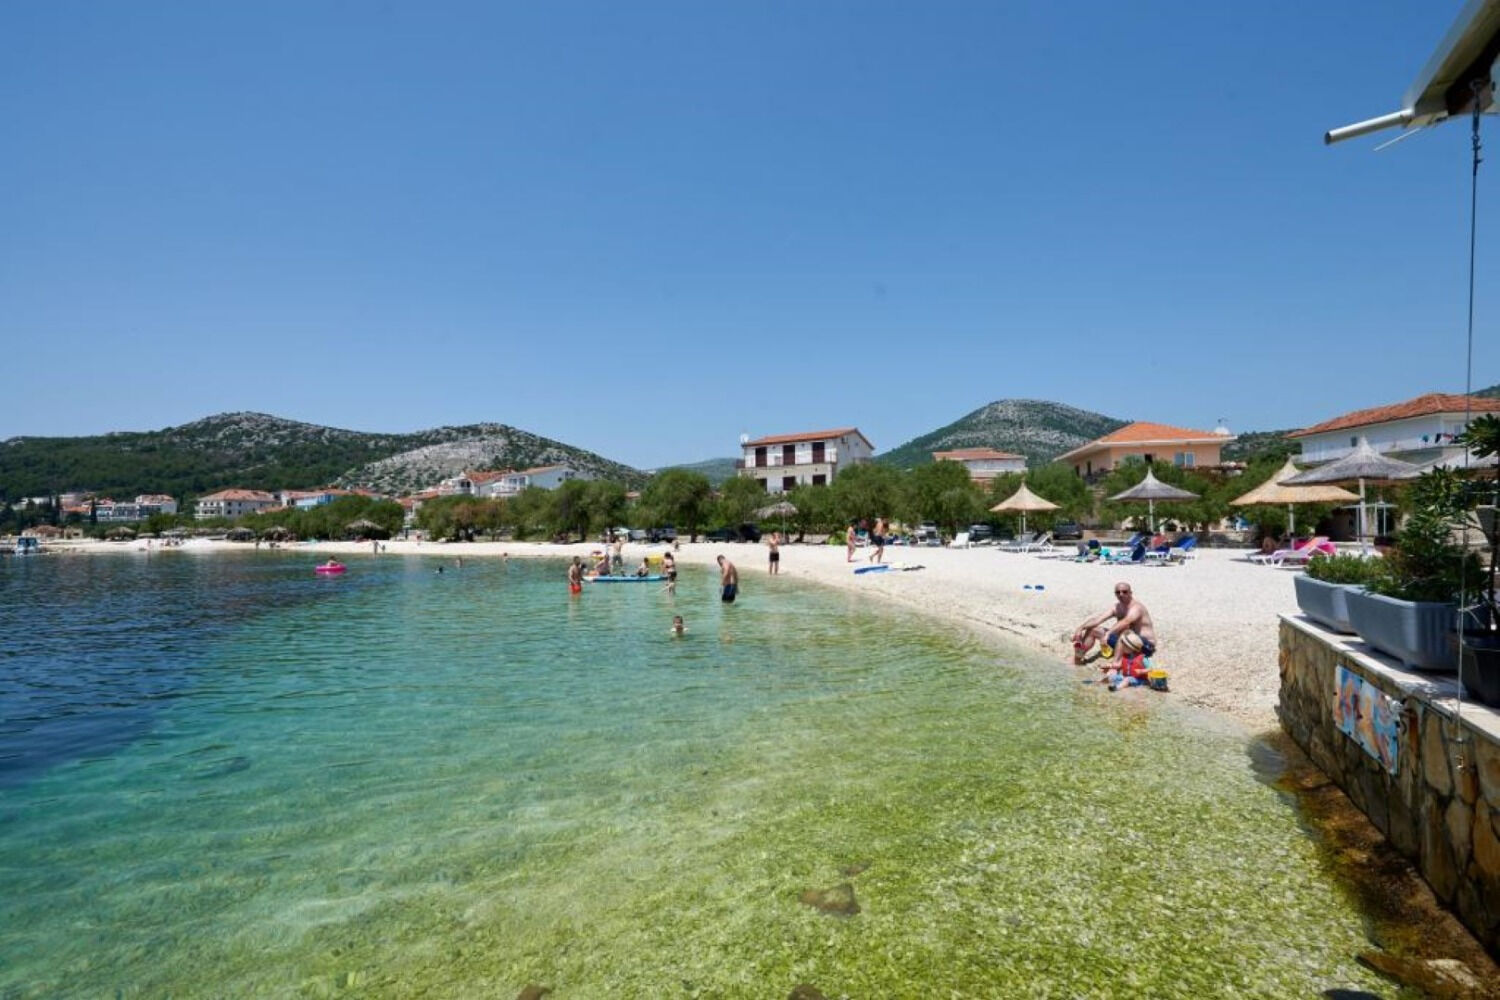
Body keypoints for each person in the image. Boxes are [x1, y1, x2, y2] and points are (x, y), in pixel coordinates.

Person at [1071, 582, 1156, 664]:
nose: (1121, 594)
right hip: (1125, 642)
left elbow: (1126, 621)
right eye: (1118, 592)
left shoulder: (1136, 608)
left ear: (1130, 593)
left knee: (1123, 634)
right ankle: (1077, 659)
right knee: (1093, 630)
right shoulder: (1117, 607)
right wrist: (1080, 628)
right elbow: (1097, 620)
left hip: (1145, 645)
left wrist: (1108, 634)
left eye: (1124, 592)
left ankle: (1116, 664)